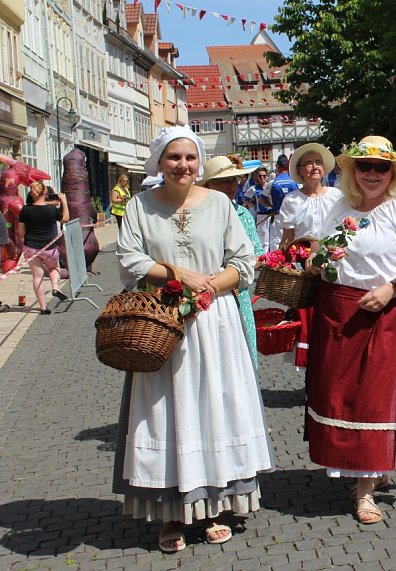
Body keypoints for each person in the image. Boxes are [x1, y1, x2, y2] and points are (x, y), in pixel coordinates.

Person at [114, 126, 273, 553]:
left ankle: (217, 508)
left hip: (213, 320)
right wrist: (177, 275)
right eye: (173, 157)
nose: (182, 165)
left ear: (198, 162)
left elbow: (243, 261)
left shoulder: (220, 203)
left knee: (215, 408)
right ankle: (169, 515)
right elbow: (130, 258)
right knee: (166, 411)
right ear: (159, 162)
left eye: (189, 157)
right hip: (162, 320)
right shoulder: (140, 206)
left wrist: (208, 288)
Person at [304, 135, 396, 525]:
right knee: (341, 396)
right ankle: (366, 468)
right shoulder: (339, 205)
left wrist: (390, 288)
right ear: (352, 170)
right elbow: (321, 249)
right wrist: (314, 261)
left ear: (393, 172)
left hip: (386, 312)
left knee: (374, 400)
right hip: (338, 310)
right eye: (364, 166)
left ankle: (365, 491)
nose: (372, 174)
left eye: (381, 168)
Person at [272, 143, 342, 367]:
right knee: (311, 323)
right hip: (306, 270)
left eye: (318, 162)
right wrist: (286, 264)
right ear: (300, 171)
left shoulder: (337, 196)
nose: (314, 167)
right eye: (309, 163)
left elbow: (346, 231)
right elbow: (286, 239)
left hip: (337, 267)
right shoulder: (293, 200)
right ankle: (314, 375)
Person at [199, 155, 264, 369]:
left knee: (240, 357)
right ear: (208, 185)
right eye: (224, 181)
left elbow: (256, 254)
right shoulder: (198, 216)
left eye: (234, 181)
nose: (231, 186)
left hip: (237, 294)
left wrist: (234, 270)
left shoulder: (242, 214)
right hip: (202, 293)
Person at [17, 181, 69, 314]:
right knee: (54, 268)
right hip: (49, 246)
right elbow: (65, 219)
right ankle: (55, 287)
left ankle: (43, 308)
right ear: (45, 193)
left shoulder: (25, 210)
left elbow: (20, 231)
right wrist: (64, 201)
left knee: (37, 276)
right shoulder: (52, 210)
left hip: (31, 247)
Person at [266, 155, 300, 252]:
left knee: (278, 241)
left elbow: (262, 199)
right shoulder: (294, 182)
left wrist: (272, 206)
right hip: (293, 214)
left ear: (277, 166)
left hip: (278, 215)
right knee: (293, 241)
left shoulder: (273, 182)